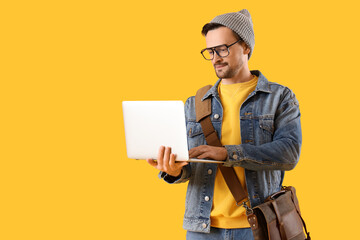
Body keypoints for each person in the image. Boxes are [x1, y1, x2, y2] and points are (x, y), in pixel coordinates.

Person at [146, 9, 302, 240]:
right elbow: (191, 165)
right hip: (202, 229)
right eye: (210, 51)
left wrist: (226, 153)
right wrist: (174, 171)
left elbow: (289, 153)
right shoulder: (195, 104)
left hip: (259, 226)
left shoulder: (278, 97)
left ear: (246, 47)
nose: (215, 58)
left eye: (222, 49)